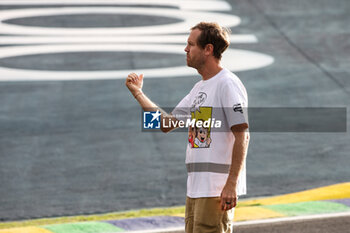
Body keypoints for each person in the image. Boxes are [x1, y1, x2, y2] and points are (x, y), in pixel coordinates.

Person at [126, 22, 250, 233]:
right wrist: (138, 93)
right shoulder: (198, 89)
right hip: (195, 189)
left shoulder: (227, 83)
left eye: (191, 44)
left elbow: (243, 135)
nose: (185, 49)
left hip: (216, 189)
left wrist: (231, 184)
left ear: (208, 49)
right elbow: (165, 125)